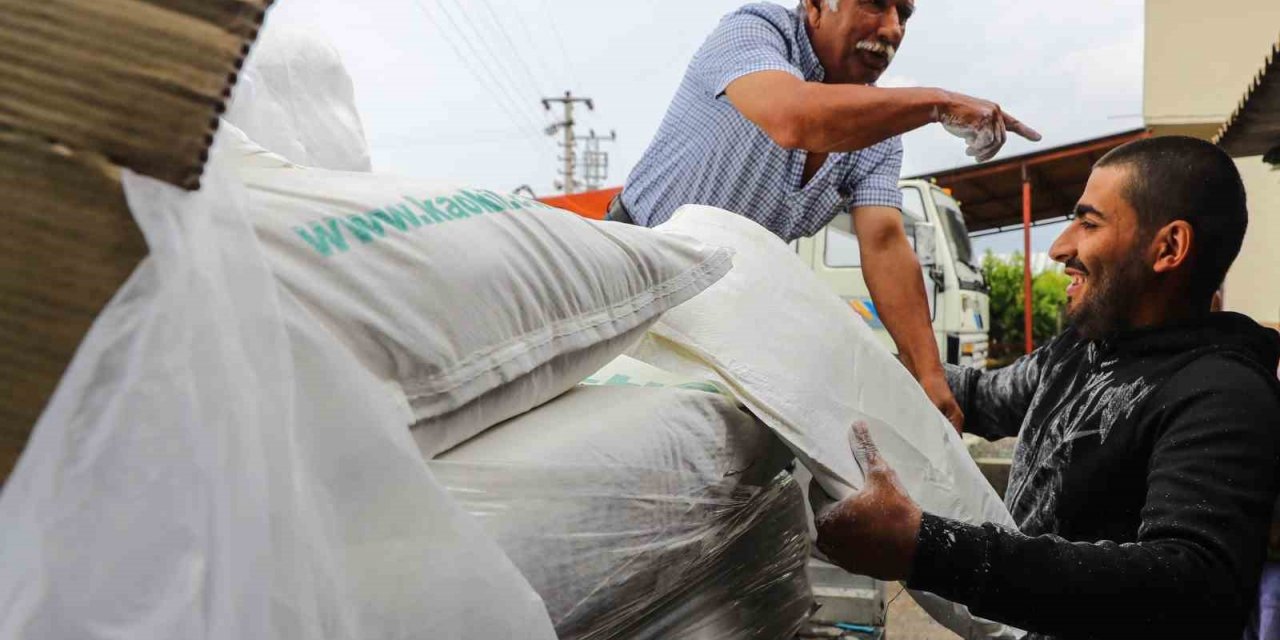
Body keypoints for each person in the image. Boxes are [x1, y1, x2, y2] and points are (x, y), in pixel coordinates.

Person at [810, 136, 1280, 638]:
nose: (1061, 248)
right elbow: (976, 397)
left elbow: (1187, 583)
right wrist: (843, 364)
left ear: (1168, 247)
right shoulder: (1081, 350)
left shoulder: (1222, 393)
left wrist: (926, 547)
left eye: (1089, 222)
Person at [609, 0, 1041, 430]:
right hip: (629, 270)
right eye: (875, 4)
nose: (891, 28)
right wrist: (938, 103)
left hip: (720, 312)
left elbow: (885, 244)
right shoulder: (756, 31)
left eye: (903, 14)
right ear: (815, 6)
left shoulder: (879, 139)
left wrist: (928, 374)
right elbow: (794, 119)